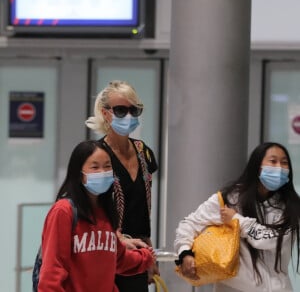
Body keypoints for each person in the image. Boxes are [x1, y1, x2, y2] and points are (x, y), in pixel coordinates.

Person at [174, 142, 300, 292]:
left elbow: (270, 240)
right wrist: (185, 252)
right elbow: (190, 224)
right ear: (257, 166)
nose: (279, 168)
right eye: (273, 161)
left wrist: (237, 221)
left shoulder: (291, 207)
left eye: (284, 163)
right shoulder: (231, 199)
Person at [38, 140, 156, 292]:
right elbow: (52, 273)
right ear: (80, 174)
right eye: (95, 167)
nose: (102, 172)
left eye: (107, 166)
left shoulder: (106, 212)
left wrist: (146, 257)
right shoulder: (63, 211)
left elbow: (118, 259)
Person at [85, 80, 159, 292]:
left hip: (137, 254)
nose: (128, 116)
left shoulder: (143, 152)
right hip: (105, 251)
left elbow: (142, 209)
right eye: (120, 110)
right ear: (105, 113)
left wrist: (150, 256)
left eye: (134, 110)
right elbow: (89, 208)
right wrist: (116, 238)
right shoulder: (97, 155)